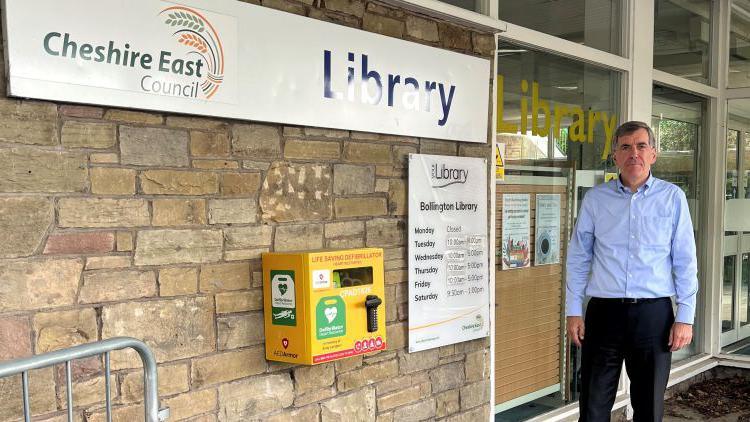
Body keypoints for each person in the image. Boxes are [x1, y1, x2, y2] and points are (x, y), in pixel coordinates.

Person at [566, 121, 698, 422]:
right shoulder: (596, 200)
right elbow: (578, 257)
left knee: (649, 408)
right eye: (625, 147)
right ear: (615, 156)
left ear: (653, 154)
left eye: (641, 146)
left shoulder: (672, 198)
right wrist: (574, 310)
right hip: (604, 315)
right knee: (593, 407)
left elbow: (685, 261)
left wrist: (685, 317)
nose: (633, 153)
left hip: (654, 317)